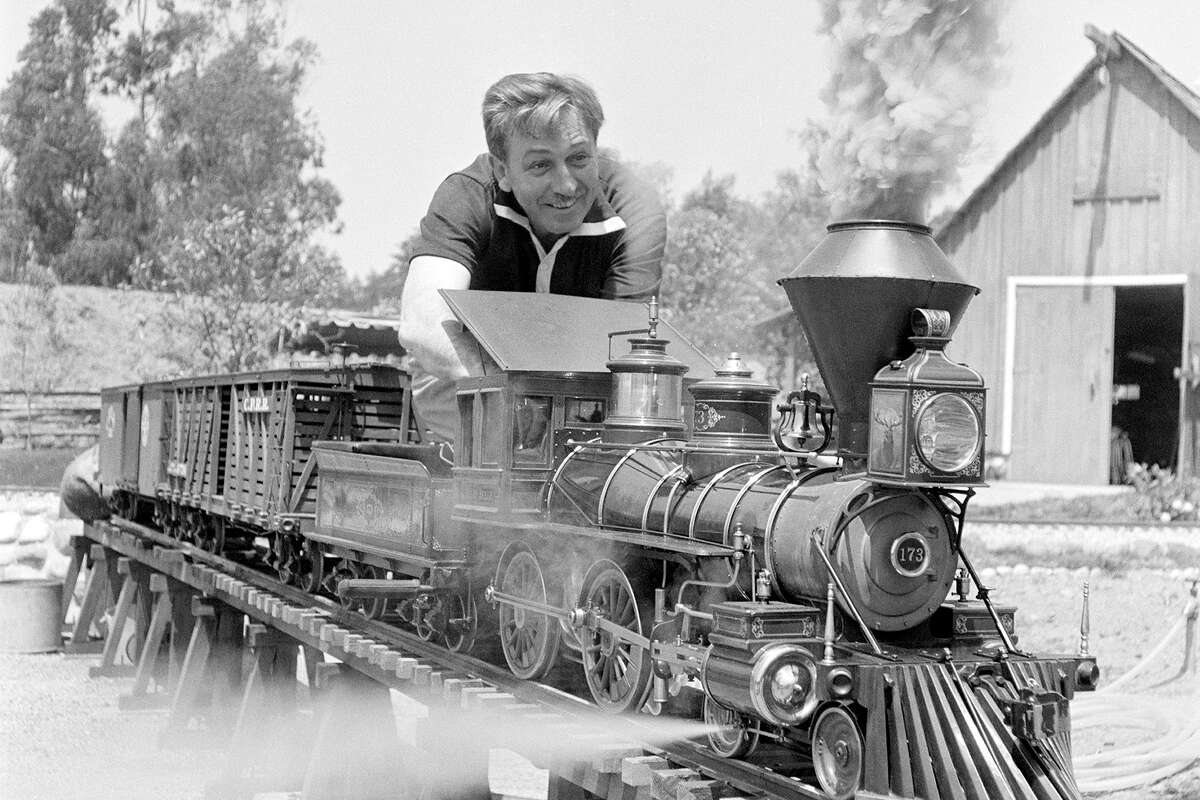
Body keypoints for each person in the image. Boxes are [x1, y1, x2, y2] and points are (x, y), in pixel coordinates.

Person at [398, 72, 667, 442]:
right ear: (502, 171)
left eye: (578, 158)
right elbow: (422, 325)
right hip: (469, 385)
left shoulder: (635, 212)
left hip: (579, 383)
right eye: (541, 165)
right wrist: (513, 393)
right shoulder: (467, 194)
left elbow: (628, 349)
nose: (567, 185)